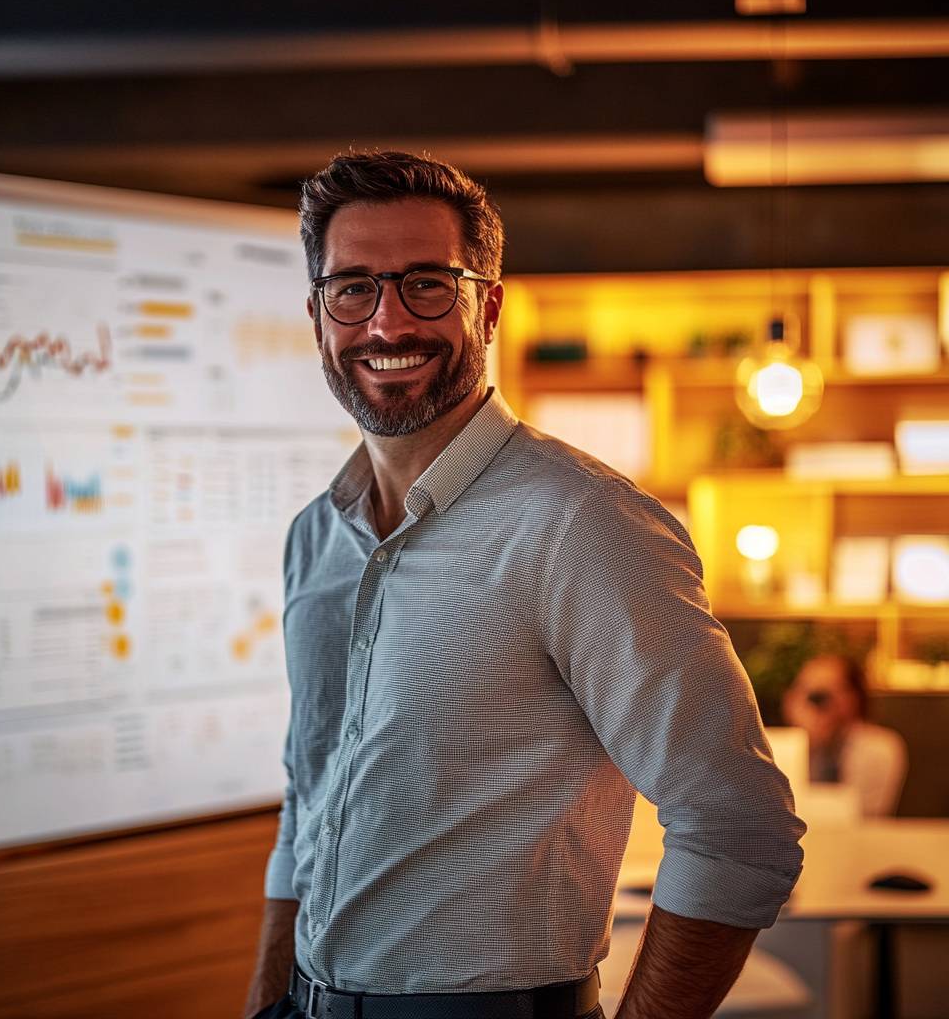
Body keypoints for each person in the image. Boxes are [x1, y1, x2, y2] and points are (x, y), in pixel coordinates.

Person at [244, 150, 806, 1019]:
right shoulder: (315, 537)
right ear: (319, 315)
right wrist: (264, 998)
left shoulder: (585, 524)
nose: (387, 323)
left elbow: (738, 825)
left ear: (490, 305)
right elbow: (308, 795)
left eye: (427, 284)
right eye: (352, 288)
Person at [782, 653, 907, 817]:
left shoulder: (879, 746)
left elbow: (860, 813)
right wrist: (807, 743)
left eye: (824, 694)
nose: (815, 705)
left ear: (853, 697)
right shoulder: (786, 748)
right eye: (806, 693)